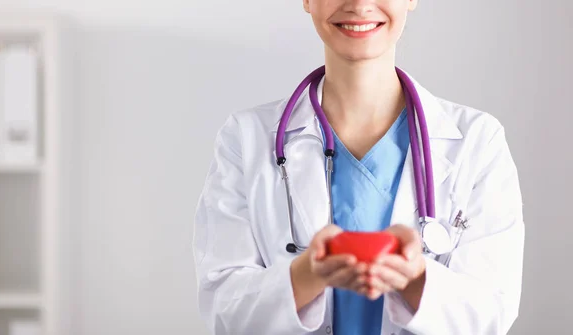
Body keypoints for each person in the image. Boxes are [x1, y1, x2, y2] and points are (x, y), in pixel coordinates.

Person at [192, 0, 524, 334]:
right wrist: (306, 276)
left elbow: (491, 314)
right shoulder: (245, 137)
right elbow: (224, 309)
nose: (360, 5)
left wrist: (416, 280)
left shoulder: (477, 141)